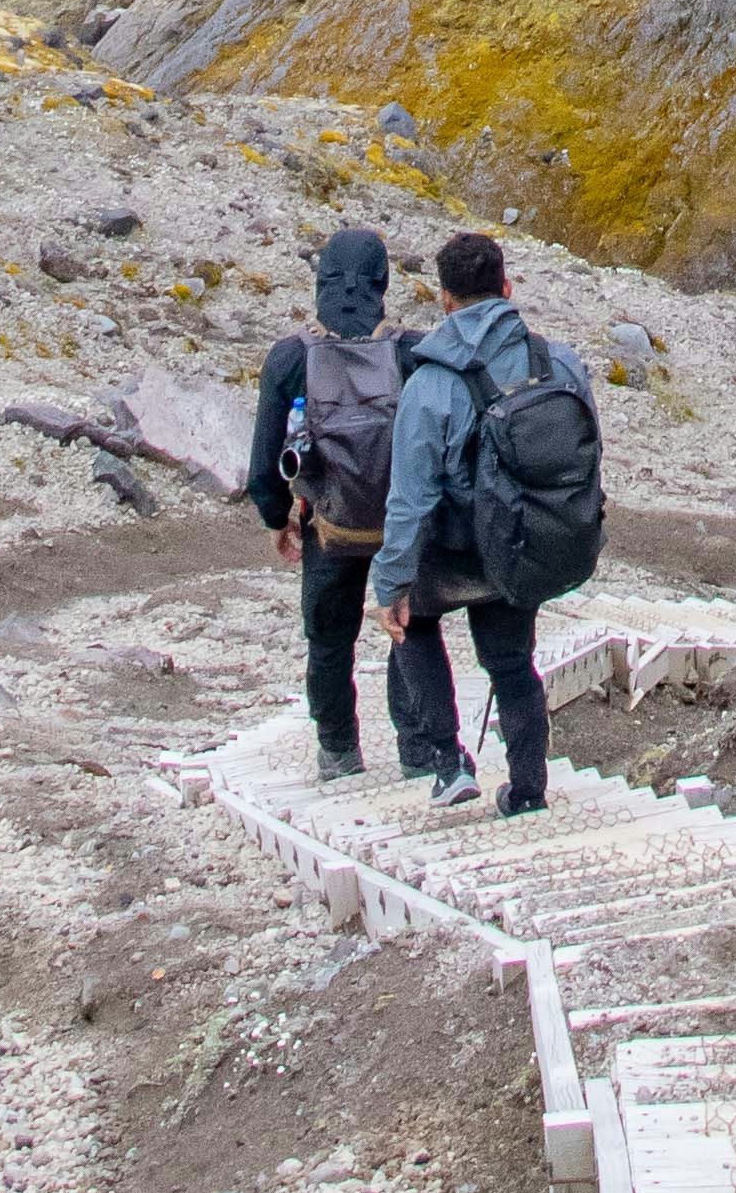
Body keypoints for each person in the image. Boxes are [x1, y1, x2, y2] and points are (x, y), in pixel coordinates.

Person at [376, 229, 597, 817]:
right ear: (507, 287)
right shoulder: (558, 361)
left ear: (445, 299)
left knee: (413, 627)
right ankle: (527, 789)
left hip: (452, 551)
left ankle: (449, 765)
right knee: (513, 664)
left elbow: (409, 498)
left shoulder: (430, 382)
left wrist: (390, 583)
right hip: (520, 544)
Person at [242, 225, 402, 781]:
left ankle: (339, 752)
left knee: (330, 638)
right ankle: (420, 749)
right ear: (382, 281)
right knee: (411, 629)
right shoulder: (409, 350)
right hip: (401, 523)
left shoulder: (291, 356)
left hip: (327, 522)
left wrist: (276, 518)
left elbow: (264, 463)